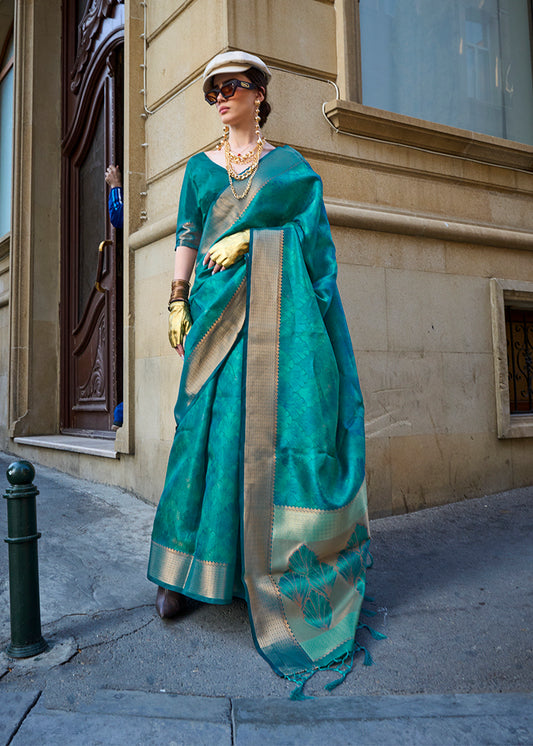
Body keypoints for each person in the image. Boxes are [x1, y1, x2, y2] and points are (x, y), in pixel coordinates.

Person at [147, 51, 376, 697]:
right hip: (213, 313)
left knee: (263, 439)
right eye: (212, 90)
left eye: (231, 87)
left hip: (277, 321)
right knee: (203, 435)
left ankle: (267, 572)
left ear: (258, 95)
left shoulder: (290, 167)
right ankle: (186, 575)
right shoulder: (198, 167)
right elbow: (187, 230)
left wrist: (252, 240)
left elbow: (314, 242)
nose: (220, 97)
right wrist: (174, 297)